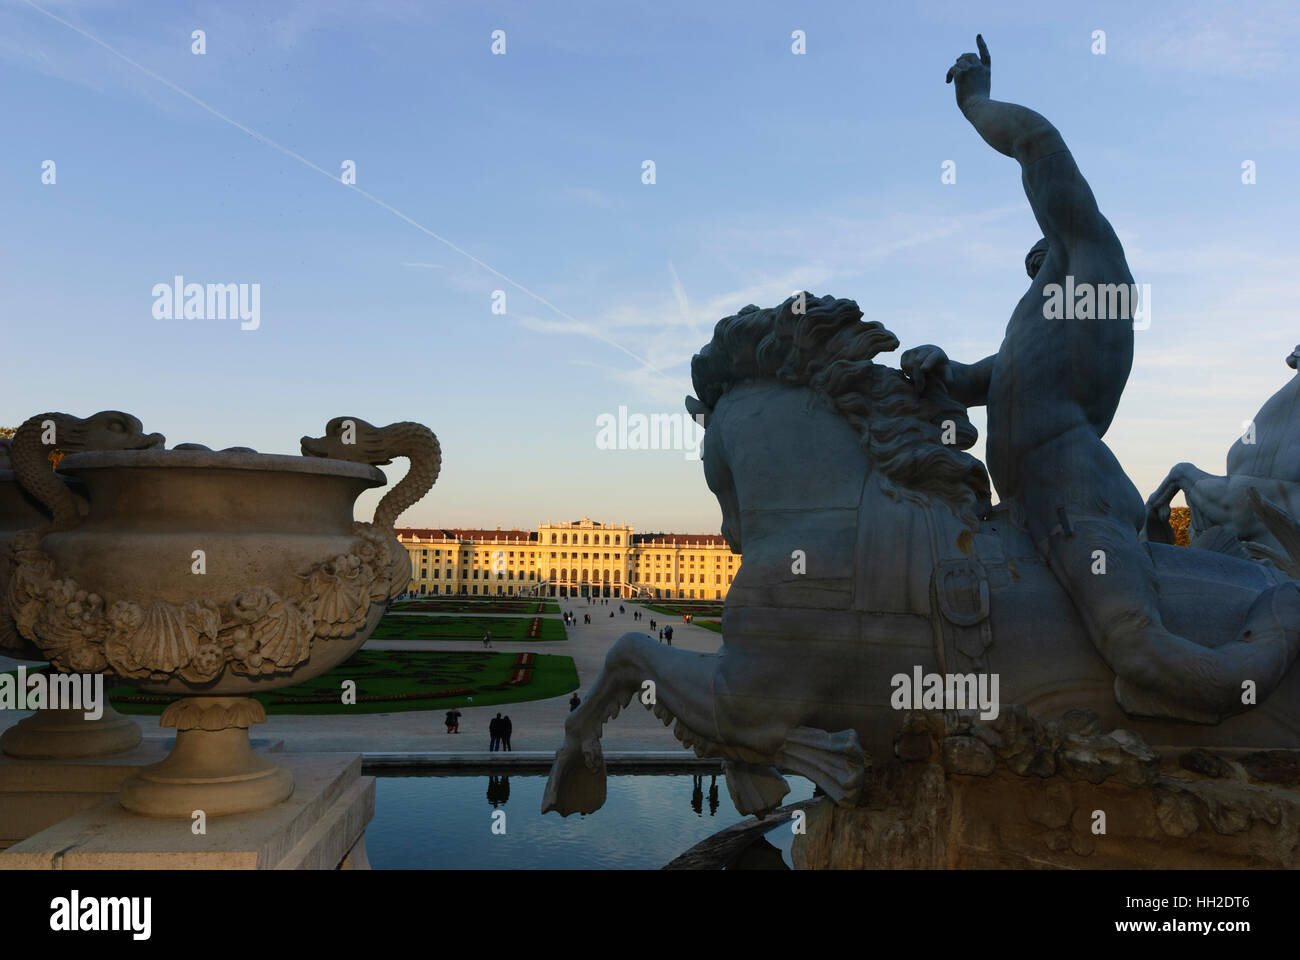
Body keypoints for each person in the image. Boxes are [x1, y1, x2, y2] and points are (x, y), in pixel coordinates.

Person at [901, 34, 1300, 722]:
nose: (1035, 258)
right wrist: (939, 365)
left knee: (1132, 645)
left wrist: (976, 102)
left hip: (1073, 492)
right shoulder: (1039, 320)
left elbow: (1036, 142)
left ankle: (1255, 664)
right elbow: (983, 380)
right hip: (1021, 500)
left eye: (1043, 246)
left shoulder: (1094, 267)